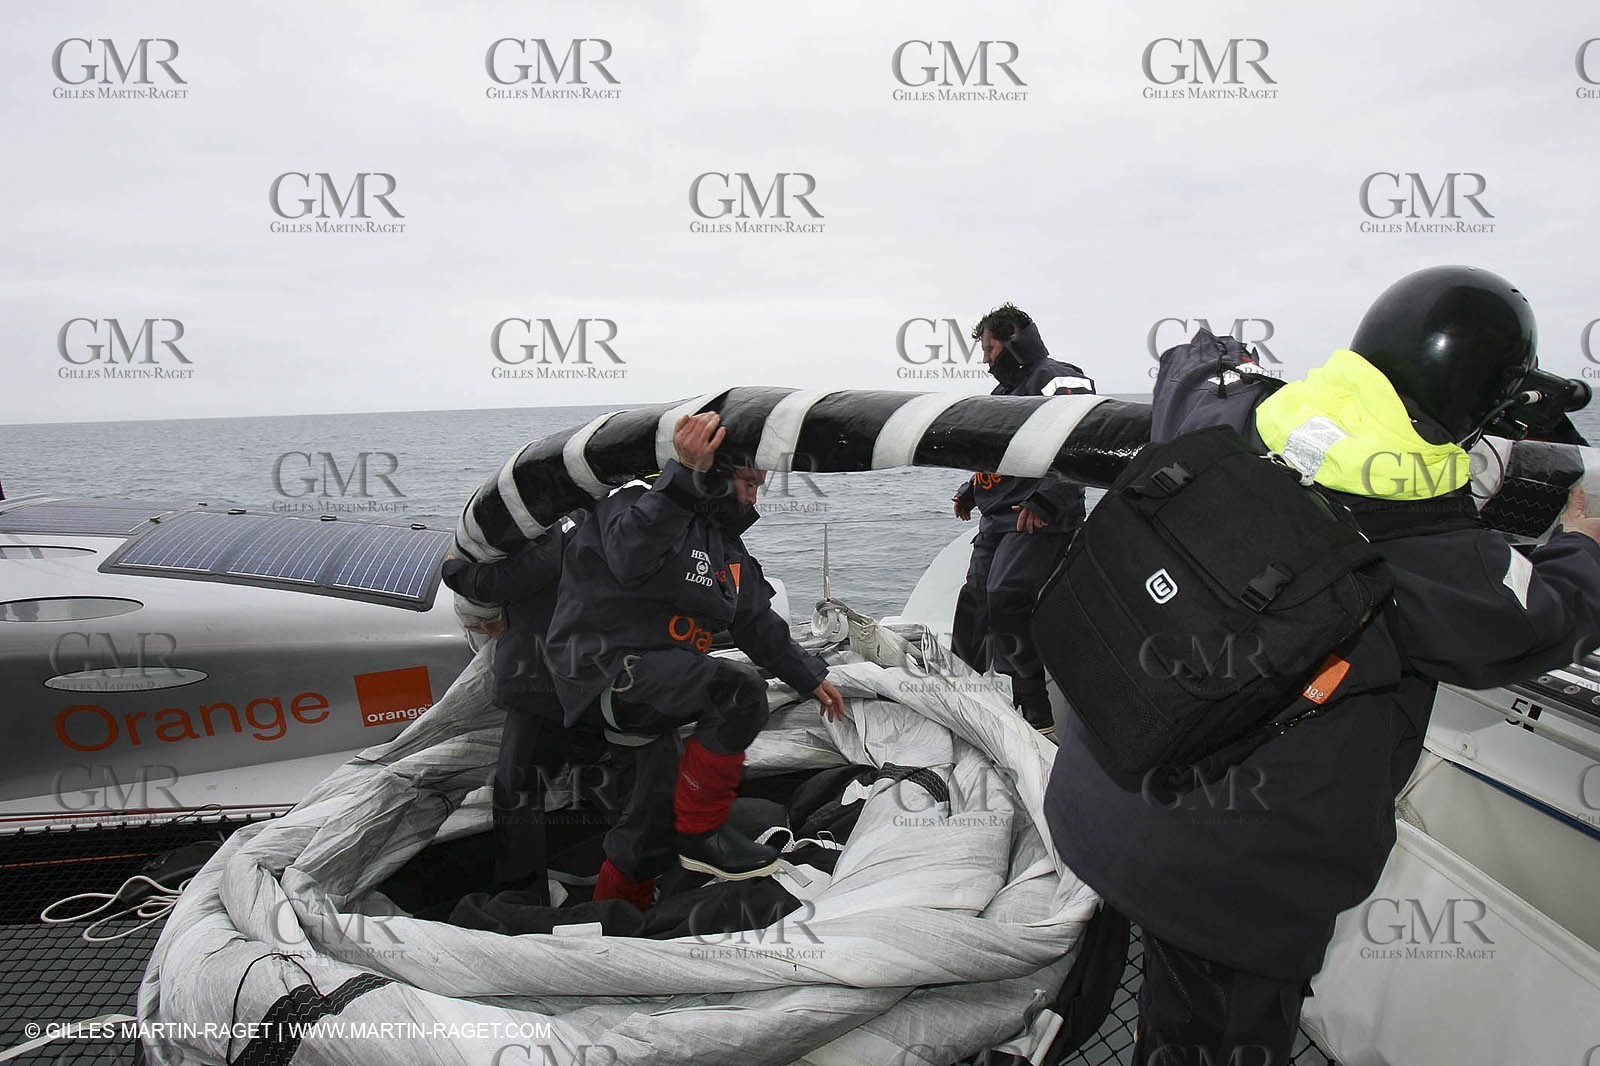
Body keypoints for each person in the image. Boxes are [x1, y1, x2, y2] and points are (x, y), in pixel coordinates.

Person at [1043, 265, 1600, 1065]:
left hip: (1101, 792)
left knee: (1149, 970)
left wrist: (1221, 354)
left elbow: (1188, 370)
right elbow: (1547, 615)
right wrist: (1582, 545)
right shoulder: (1438, 556)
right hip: (1232, 889)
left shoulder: (1232, 415)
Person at [543, 411, 847, 909]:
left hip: (660, 688)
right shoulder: (638, 499)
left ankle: (618, 914)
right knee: (739, 690)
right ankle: (703, 833)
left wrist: (811, 677)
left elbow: (755, 621)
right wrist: (683, 478)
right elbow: (628, 555)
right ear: (716, 470)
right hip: (605, 671)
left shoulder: (724, 546)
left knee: (651, 820)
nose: (756, 496)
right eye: (749, 482)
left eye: (761, 485)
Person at [441, 511, 602, 906]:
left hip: (543, 680)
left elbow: (511, 580)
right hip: (596, 676)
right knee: (598, 776)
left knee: (517, 790)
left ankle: (522, 895)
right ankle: (604, 865)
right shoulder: (606, 518)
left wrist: (455, 573)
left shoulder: (561, 526)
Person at [952, 303, 1097, 732]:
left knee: (1006, 594)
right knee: (975, 597)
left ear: (1013, 340)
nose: (985, 360)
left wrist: (1047, 501)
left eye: (989, 348)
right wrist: (970, 491)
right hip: (997, 518)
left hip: (1038, 519)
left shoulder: (1059, 379)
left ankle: (1034, 707)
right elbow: (998, 458)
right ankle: (959, 687)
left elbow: (1082, 440)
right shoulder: (1000, 398)